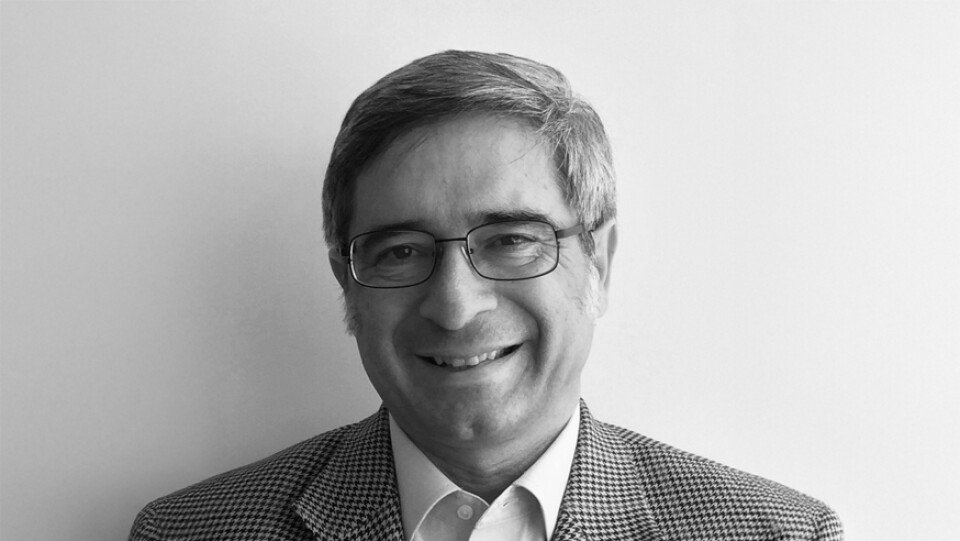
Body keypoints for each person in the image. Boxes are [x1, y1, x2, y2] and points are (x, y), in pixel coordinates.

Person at [129, 50, 842, 541]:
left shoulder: (778, 534)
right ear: (346, 282)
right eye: (401, 250)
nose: (455, 305)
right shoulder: (188, 533)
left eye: (510, 240)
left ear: (599, 263)